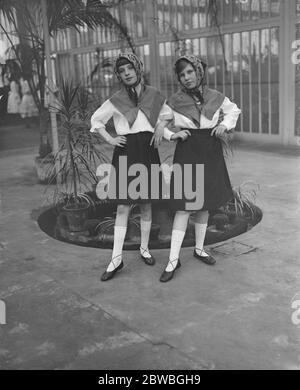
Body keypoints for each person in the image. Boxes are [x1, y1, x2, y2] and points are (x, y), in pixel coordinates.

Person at [153, 55, 241, 282]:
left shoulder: (215, 97)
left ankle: (200, 249)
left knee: (205, 204)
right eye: (182, 74)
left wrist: (224, 124)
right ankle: (173, 259)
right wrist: (173, 134)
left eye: (190, 72)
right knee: (184, 207)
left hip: (210, 150)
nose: (186, 77)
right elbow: (158, 124)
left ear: (199, 72)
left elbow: (234, 111)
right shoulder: (174, 101)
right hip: (188, 151)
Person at [90, 52, 175, 281]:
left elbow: (166, 116)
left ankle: (144, 249)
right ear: (119, 75)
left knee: (146, 204)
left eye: (129, 68)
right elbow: (96, 121)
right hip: (126, 151)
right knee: (123, 207)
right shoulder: (115, 100)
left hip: (147, 150)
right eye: (121, 70)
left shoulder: (154, 95)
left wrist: (160, 129)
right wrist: (110, 139)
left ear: (138, 68)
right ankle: (116, 259)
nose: (126, 73)